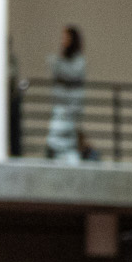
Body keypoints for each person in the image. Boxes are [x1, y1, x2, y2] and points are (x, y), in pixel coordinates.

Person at [46, 26, 86, 161]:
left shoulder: (79, 60)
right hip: (60, 106)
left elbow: (72, 74)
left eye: (66, 37)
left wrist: (58, 67)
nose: (63, 41)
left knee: (69, 140)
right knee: (54, 138)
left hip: (72, 107)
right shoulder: (60, 59)